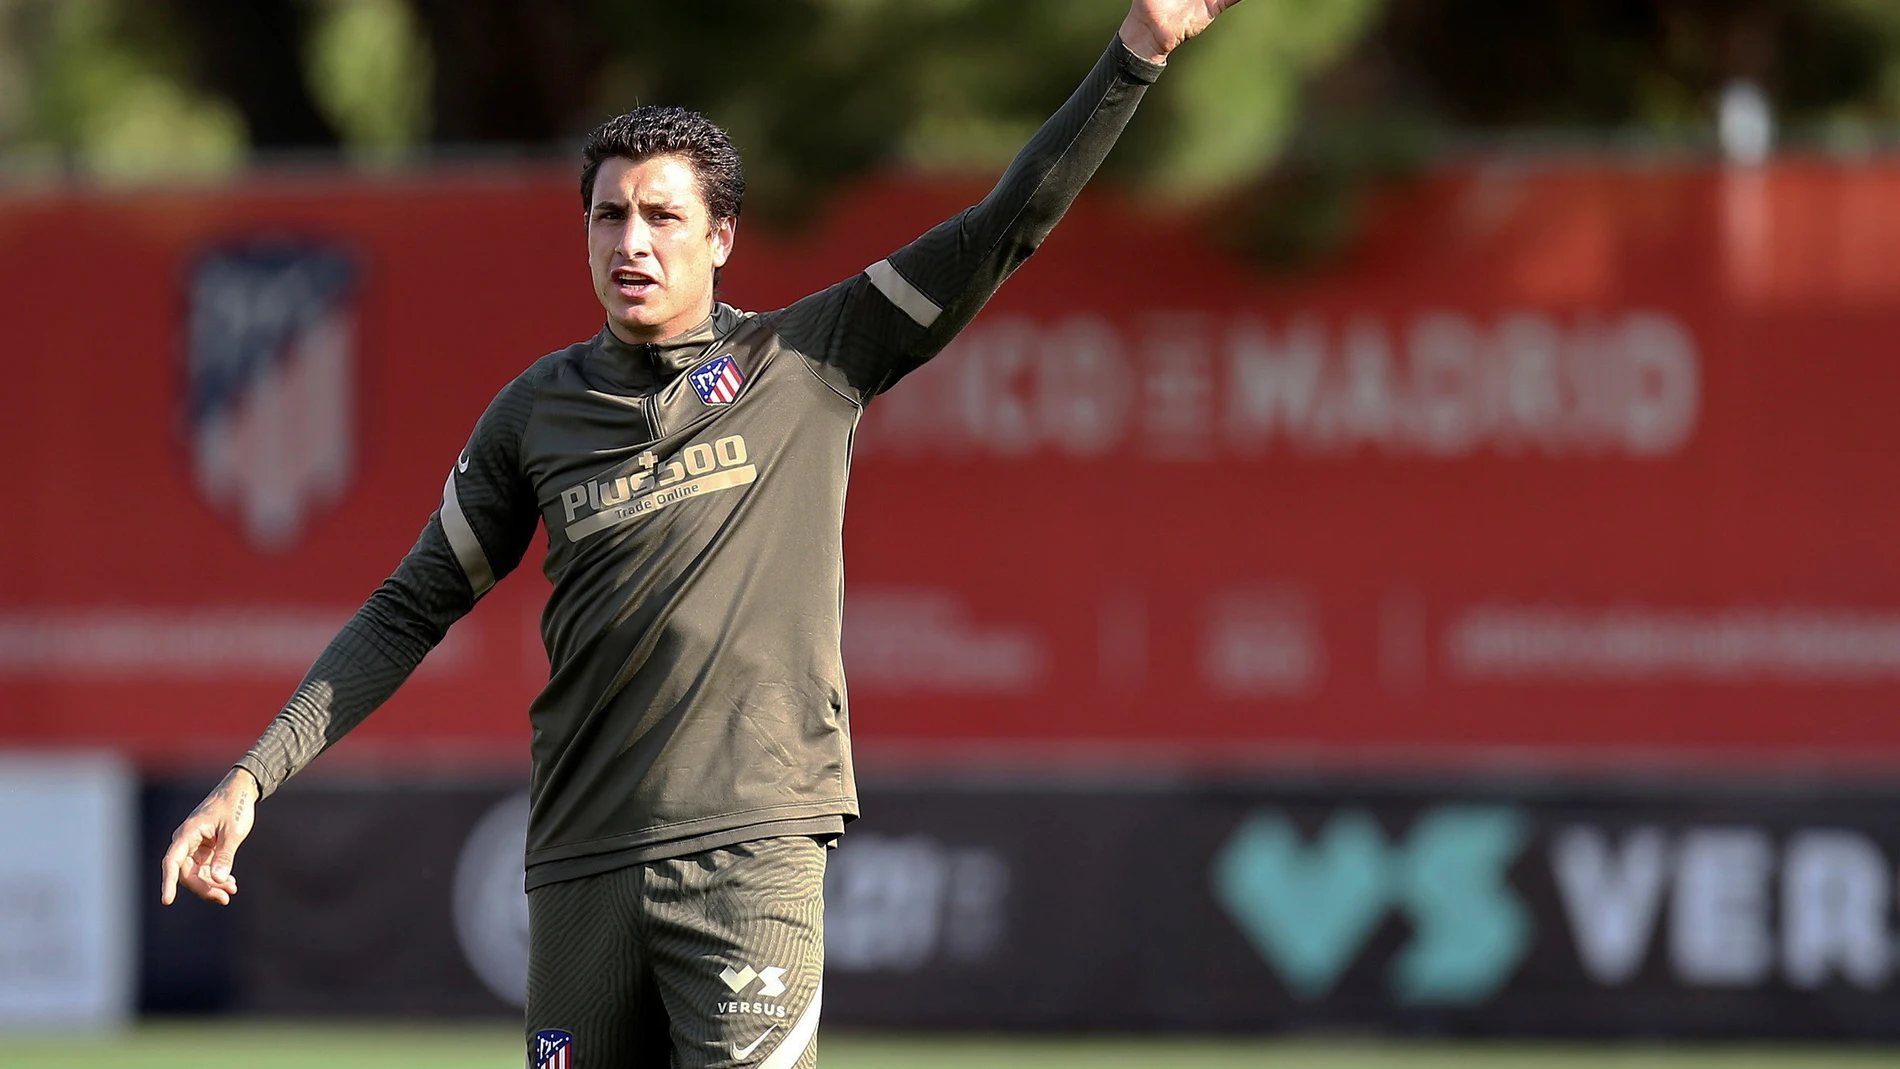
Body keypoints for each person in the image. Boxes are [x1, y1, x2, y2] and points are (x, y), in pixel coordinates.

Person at [160, 2, 1242, 1065]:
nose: (632, 241)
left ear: (720, 236)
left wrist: (1135, 51)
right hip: (578, 866)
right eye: (609, 216)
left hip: (749, 855)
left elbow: (1004, 222)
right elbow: (408, 608)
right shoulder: (536, 413)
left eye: (662, 217)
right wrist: (252, 778)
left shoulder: (811, 358)